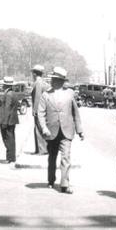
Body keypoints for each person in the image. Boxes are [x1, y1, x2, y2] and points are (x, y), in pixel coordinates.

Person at [37, 66, 84, 194]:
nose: (53, 81)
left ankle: (65, 184)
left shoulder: (70, 94)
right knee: (52, 157)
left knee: (66, 157)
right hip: (51, 131)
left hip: (67, 130)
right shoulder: (45, 95)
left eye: (57, 79)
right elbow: (40, 113)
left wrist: (80, 130)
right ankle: (51, 180)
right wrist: (44, 128)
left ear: (62, 81)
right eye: (53, 79)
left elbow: (75, 113)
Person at [0, 76, 20, 167]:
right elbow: (15, 105)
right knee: (10, 138)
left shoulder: (8, 94)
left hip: (8, 120)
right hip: (12, 120)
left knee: (7, 139)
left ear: (5, 85)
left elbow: (7, 108)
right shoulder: (13, 93)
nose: (2, 85)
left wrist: (4, 122)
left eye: (3, 84)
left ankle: (11, 158)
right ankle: (10, 157)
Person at [30, 64, 49, 155]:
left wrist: (35, 110)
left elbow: (37, 97)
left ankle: (42, 150)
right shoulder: (43, 82)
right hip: (43, 109)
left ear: (34, 74)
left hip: (39, 110)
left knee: (39, 129)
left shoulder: (38, 83)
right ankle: (40, 149)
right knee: (40, 128)